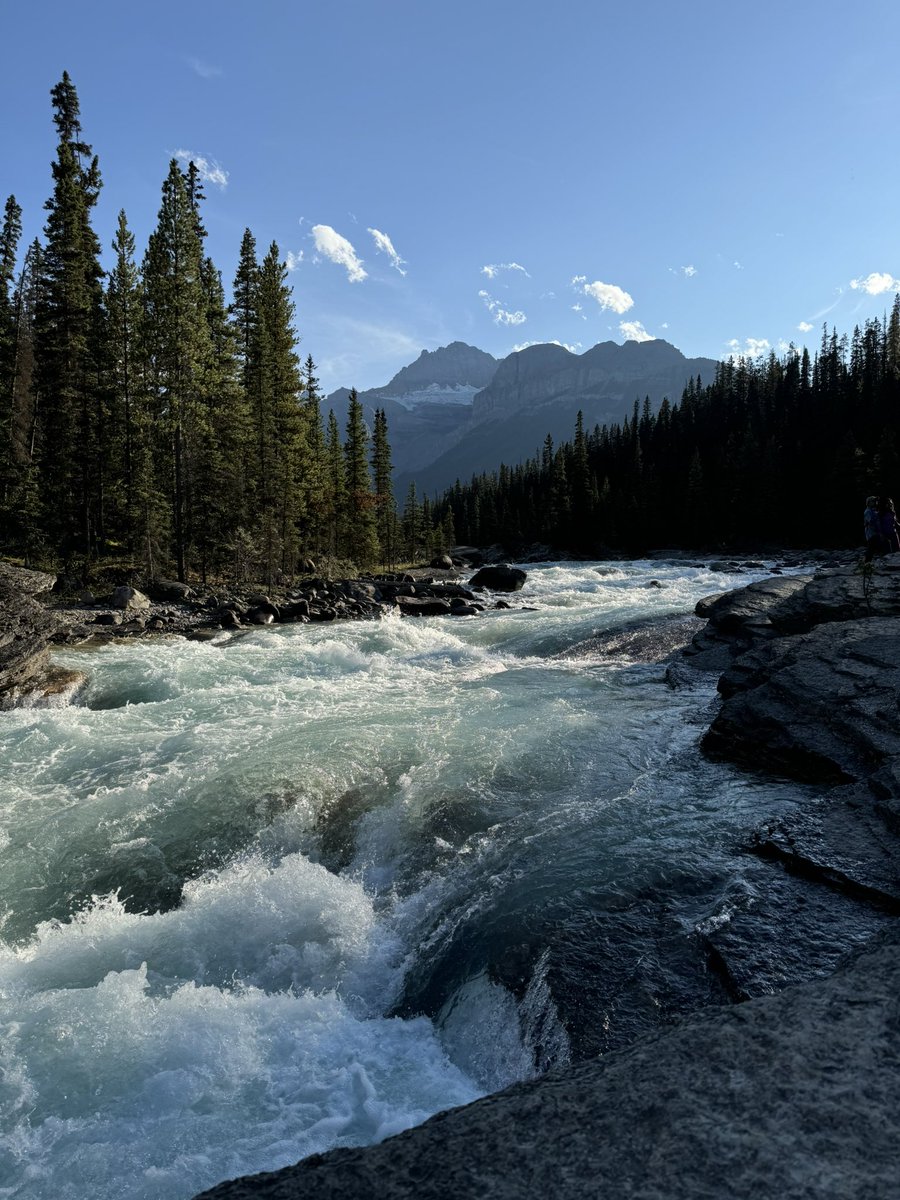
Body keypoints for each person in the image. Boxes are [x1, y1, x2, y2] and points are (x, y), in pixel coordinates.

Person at [864, 495, 881, 560]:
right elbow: (871, 522)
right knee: (871, 548)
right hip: (871, 533)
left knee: (873, 548)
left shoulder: (873, 511)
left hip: (875, 533)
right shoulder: (868, 511)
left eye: (875, 501)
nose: (875, 502)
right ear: (868, 503)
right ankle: (867, 563)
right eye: (873, 501)